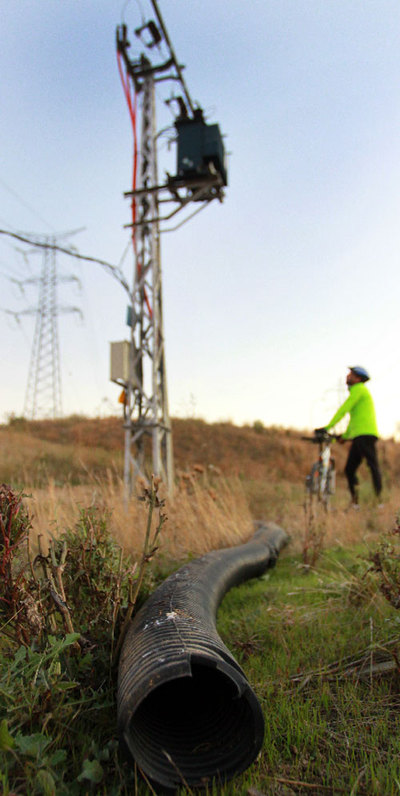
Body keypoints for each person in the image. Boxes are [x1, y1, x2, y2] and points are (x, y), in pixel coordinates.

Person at [316, 366, 382, 508]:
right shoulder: (357, 392)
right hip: (359, 435)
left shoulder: (359, 390)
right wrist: (344, 436)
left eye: (350, 374)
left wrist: (327, 427)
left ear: (358, 378)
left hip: (365, 435)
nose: (347, 376)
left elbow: (344, 409)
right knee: (350, 469)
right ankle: (355, 502)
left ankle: (379, 502)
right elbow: (354, 421)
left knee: (373, 466)